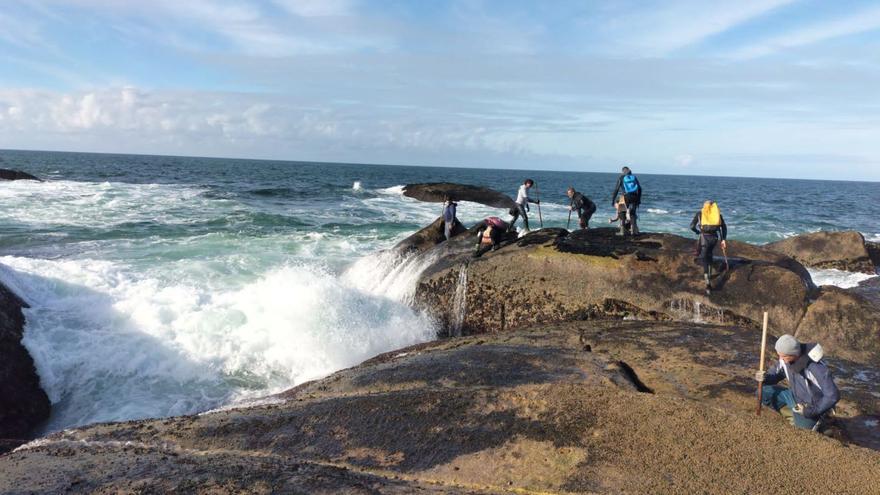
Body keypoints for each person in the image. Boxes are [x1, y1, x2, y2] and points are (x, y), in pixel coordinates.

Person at [755, 334, 840, 431]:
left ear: (794, 354)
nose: (781, 359)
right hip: (795, 397)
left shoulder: (815, 367)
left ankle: (823, 424)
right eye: (779, 355)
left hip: (813, 406)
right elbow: (776, 376)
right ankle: (793, 416)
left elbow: (833, 395)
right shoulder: (785, 359)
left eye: (783, 356)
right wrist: (765, 378)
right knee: (763, 392)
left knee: (804, 431)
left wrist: (810, 412)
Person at [689, 200, 727, 294]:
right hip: (714, 238)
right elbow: (724, 228)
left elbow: (691, 226)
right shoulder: (717, 215)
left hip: (704, 238)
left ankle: (707, 280)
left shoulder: (700, 214)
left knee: (704, 257)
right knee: (709, 254)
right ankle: (709, 274)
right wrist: (723, 240)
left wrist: (697, 231)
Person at [610, 166, 641, 235]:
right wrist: (638, 199)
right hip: (634, 196)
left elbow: (616, 190)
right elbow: (640, 189)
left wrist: (613, 200)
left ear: (622, 171)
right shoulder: (634, 177)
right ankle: (633, 230)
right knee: (632, 213)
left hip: (625, 196)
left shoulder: (621, 178)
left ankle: (622, 231)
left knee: (622, 212)